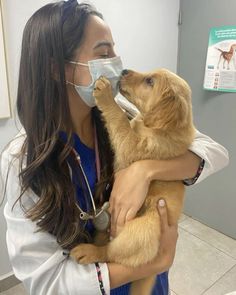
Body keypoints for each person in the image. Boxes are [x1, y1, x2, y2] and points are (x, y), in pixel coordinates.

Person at [0, 1, 229, 294]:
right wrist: (153, 263)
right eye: (103, 53)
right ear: (57, 70)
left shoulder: (123, 110)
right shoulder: (22, 159)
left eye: (114, 50)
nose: (117, 62)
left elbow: (214, 151)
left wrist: (147, 170)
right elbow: (48, 284)